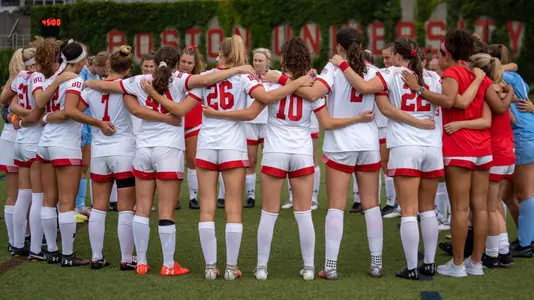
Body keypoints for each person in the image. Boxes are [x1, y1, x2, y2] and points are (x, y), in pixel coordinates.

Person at [204, 36, 373, 281]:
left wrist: (218, 114)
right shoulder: (311, 86)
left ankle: (261, 267)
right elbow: (326, 122)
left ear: (283, 59)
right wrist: (357, 119)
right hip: (302, 152)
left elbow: (251, 113)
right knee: (303, 214)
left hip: (275, 152)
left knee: (269, 214)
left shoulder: (273, 84)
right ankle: (308, 268)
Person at [84, 43, 259, 276]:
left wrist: (87, 82)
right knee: (167, 210)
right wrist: (238, 70)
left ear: (154, 62)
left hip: (143, 149)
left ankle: (142, 263)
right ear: (177, 63)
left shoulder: (139, 80)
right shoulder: (180, 80)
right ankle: (168, 265)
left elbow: (110, 87)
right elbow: (205, 82)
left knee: (142, 208)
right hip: (169, 150)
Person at [145, 35, 311, 280]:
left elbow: (180, 111)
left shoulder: (207, 78)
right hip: (233, 146)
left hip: (207, 146)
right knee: (234, 209)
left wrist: (153, 94)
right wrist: (297, 84)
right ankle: (232, 268)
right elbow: (265, 100)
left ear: (219, 55)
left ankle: (210, 267)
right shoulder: (244, 77)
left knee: (207, 209)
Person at [265, 28, 384, 278]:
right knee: (372, 205)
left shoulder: (332, 69)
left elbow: (310, 93)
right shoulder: (374, 71)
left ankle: (330, 266)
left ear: (339, 45)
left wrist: (282, 79)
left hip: (341, 144)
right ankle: (376, 263)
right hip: (369, 143)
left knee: (336, 206)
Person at [402, 29, 512, 277]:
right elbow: (498, 109)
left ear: (448, 54)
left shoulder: (452, 73)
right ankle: (476, 264)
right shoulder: (479, 76)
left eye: (440, 54)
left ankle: (459, 264)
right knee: (481, 208)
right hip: (484, 148)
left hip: (460, 147)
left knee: (461, 209)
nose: (439, 59)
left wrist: (418, 89)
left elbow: (450, 101)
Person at [374, 38, 444, 280]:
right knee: (428, 209)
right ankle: (430, 264)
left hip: (405, 145)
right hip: (433, 145)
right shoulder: (434, 77)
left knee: (409, 210)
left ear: (396, 55)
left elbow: (385, 107)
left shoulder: (390, 74)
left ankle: (412, 267)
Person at [71, 45, 137, 270]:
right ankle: (127, 259)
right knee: (126, 207)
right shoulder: (128, 85)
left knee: (98, 207)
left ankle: (97, 257)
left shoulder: (90, 90)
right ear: (128, 69)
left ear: (108, 64)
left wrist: (97, 123)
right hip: (124, 150)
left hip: (100, 151)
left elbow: (76, 112)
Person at [34, 40, 91, 267]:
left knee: (49, 200)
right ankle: (67, 254)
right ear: (81, 61)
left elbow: (42, 103)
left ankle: (53, 251)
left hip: (45, 142)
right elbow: (70, 112)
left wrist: (47, 117)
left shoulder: (50, 79)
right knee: (66, 202)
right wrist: (97, 121)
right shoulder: (76, 80)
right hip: (65, 144)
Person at [488, 44, 534, 258]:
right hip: (526, 132)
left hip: (522, 136)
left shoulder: (501, 77)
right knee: (506, 195)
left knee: (525, 193)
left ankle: (527, 243)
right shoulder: (515, 75)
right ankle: (524, 238)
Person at [76, 51, 110, 221]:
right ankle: (70, 206)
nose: (107, 72)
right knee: (74, 166)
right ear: (97, 65)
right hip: (81, 124)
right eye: (105, 69)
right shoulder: (82, 74)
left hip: (91, 125)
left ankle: (80, 205)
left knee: (84, 165)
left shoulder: (96, 76)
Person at [243, 48, 271, 209]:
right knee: (251, 160)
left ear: (268, 62)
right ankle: (251, 195)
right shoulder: (246, 76)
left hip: (268, 123)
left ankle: (268, 195)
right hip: (250, 123)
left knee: (268, 160)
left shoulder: (274, 76)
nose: (257, 63)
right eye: (255, 60)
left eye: (261, 60)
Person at [178, 46, 206, 210]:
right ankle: (173, 198)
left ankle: (193, 197)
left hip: (193, 123)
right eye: (183, 61)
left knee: (192, 160)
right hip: (174, 123)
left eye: (189, 63)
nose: (186, 65)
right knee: (173, 163)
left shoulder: (199, 78)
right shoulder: (171, 76)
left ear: (195, 64)